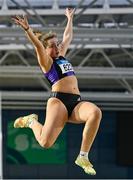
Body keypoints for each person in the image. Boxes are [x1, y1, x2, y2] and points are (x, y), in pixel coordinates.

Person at [12, 8, 102, 175]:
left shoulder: (62, 56)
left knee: (95, 113)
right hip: (58, 102)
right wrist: (27, 30)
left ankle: (83, 156)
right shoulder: (47, 62)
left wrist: (69, 18)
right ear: (46, 50)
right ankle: (31, 122)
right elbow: (38, 45)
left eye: (57, 44)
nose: (57, 47)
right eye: (53, 46)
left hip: (76, 103)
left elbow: (68, 37)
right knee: (45, 143)